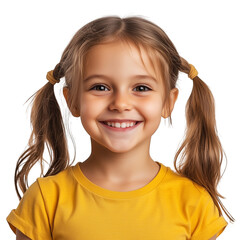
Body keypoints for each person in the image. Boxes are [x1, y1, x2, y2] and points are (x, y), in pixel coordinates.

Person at [6, 15, 234, 240]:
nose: (120, 104)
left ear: (168, 102)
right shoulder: (46, 199)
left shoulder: (194, 203)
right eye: (100, 87)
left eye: (142, 88)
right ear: (72, 100)